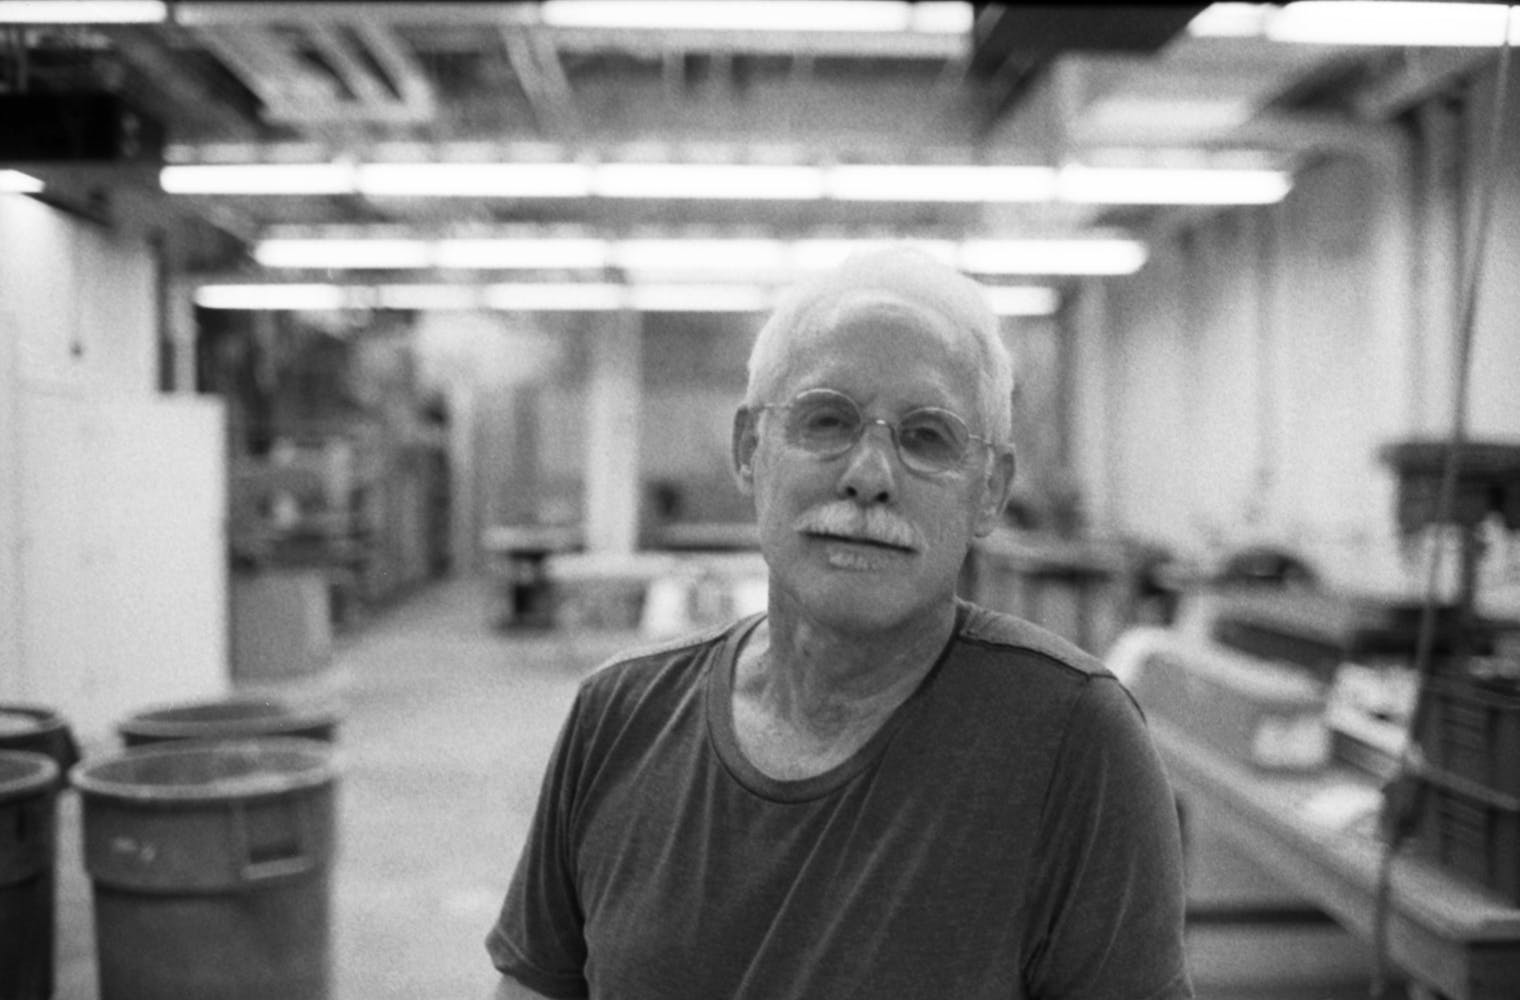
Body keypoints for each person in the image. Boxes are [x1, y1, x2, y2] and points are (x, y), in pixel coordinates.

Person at [485, 246, 1192, 999]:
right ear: (749, 450)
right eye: (827, 420)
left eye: (927, 436)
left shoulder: (1074, 746)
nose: (869, 476)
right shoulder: (618, 720)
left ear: (990, 490)